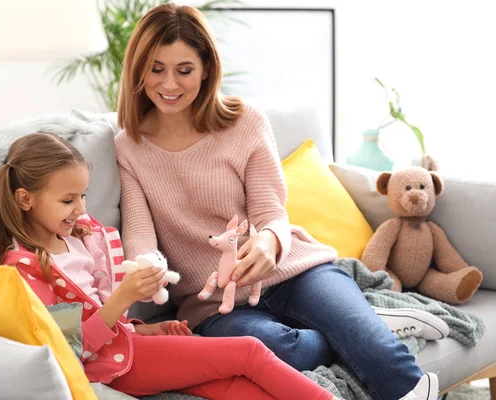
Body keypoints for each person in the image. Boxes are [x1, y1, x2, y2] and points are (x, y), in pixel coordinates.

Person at [114, 3, 442, 400]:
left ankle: (377, 348)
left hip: (295, 270)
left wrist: (269, 241)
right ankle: (357, 325)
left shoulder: (244, 122)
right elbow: (139, 234)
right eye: (156, 68)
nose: (169, 83)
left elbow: (271, 211)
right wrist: (147, 269)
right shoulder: (130, 146)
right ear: (138, 70)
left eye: (184, 70)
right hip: (214, 307)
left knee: (375, 350)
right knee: (282, 348)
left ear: (205, 69)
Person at [0, 132, 338, 400]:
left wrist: (145, 329)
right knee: (248, 351)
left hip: (128, 346)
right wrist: (124, 298)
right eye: (67, 200)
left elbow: (107, 321)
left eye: (83, 196)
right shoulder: (26, 270)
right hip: (112, 366)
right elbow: (73, 347)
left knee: (232, 387)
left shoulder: (79, 237)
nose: (80, 209)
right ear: (25, 199)